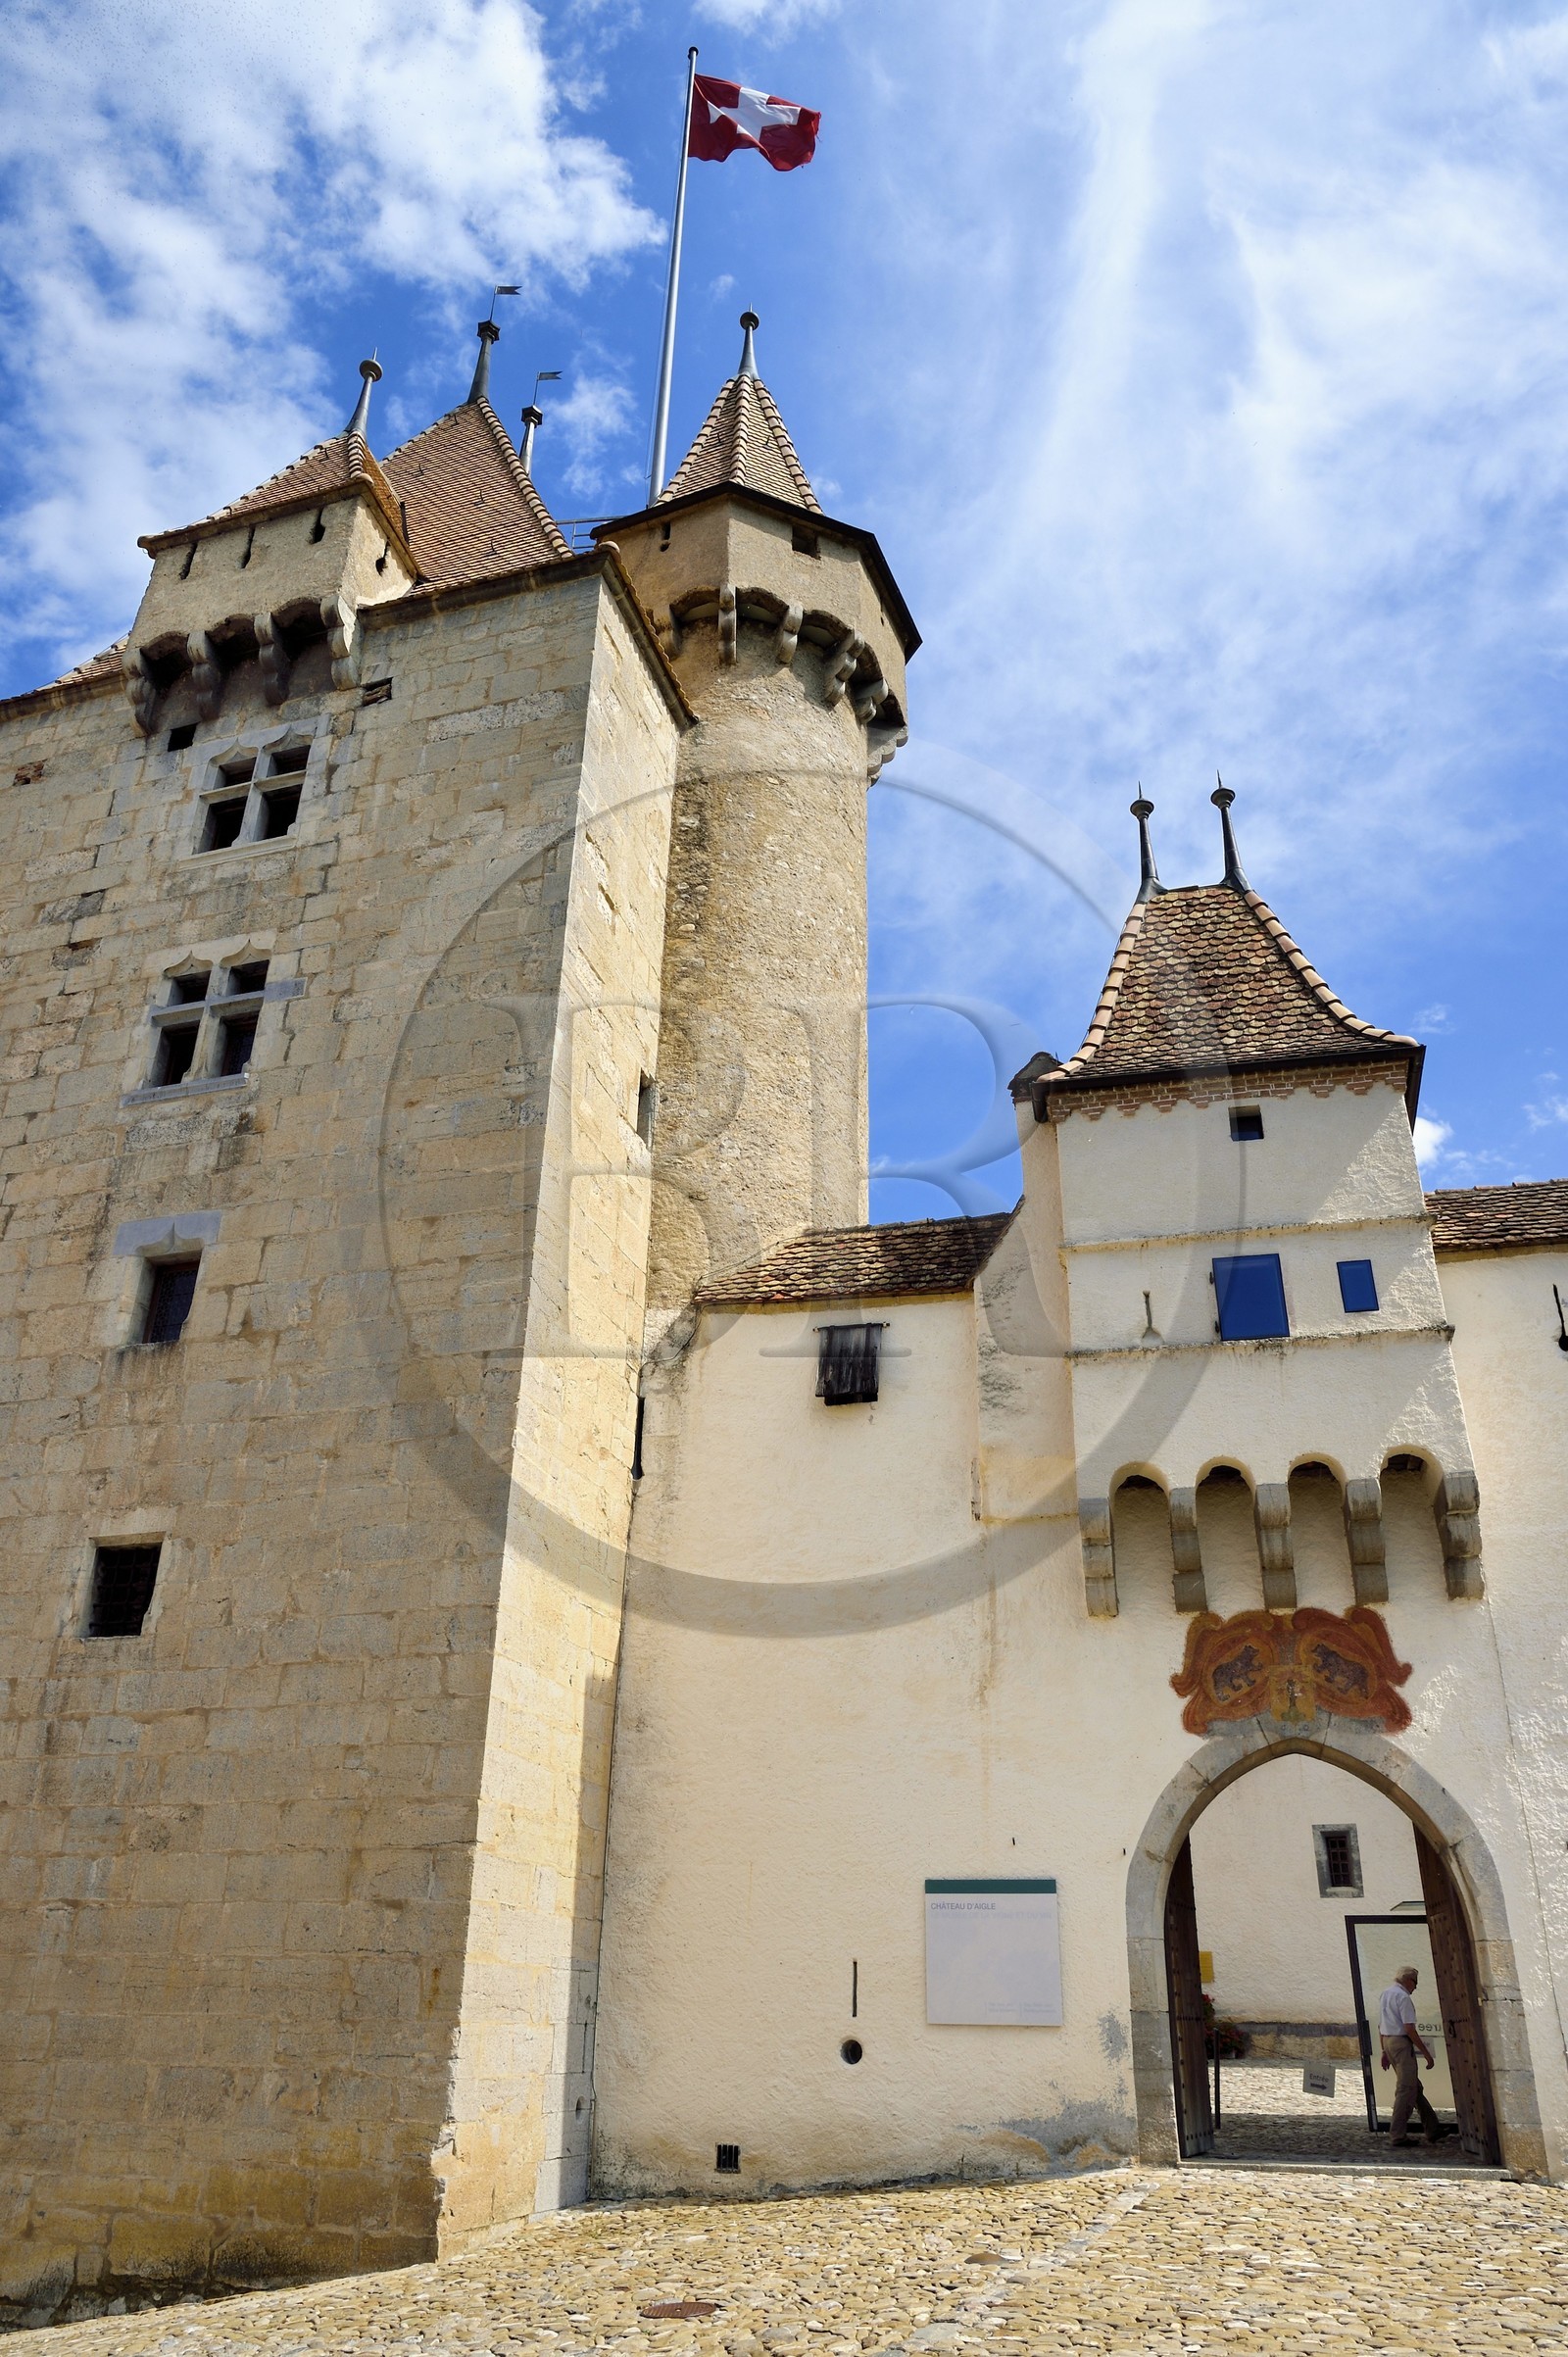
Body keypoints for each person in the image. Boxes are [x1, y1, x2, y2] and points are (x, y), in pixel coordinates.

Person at [1378, 1966, 1449, 2146]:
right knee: (1406, 2090)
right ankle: (1398, 2135)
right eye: (1415, 1982)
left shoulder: (1386, 1993)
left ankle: (1433, 2129)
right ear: (1408, 1980)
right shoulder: (1403, 1997)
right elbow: (1409, 2028)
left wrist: (1384, 2050)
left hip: (1389, 2041)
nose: (1416, 1987)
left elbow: (1381, 2025)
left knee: (1414, 2087)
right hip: (1401, 2044)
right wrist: (1426, 2054)